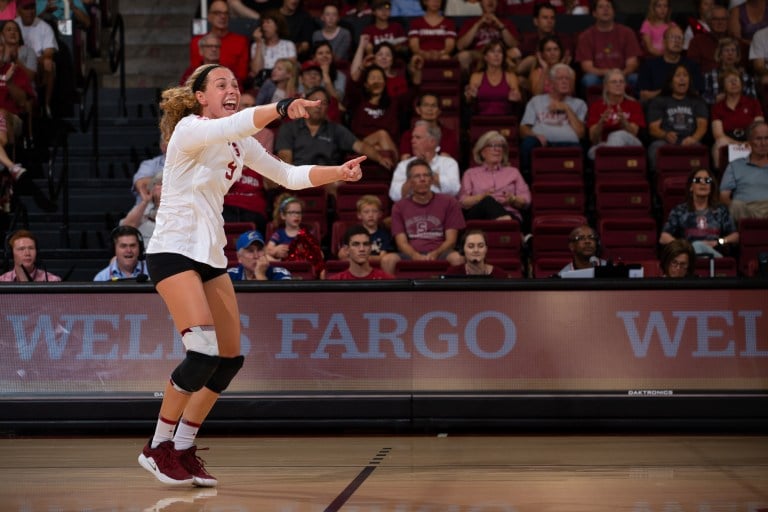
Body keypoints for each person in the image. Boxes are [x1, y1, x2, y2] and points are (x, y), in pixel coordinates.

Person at [137, 63, 365, 487]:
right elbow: (246, 119)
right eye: (221, 84)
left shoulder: (239, 142)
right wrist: (281, 107)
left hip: (209, 255)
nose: (231, 89)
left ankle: (184, 447)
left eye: (236, 85)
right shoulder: (190, 128)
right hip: (173, 250)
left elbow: (289, 176)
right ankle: (158, 445)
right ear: (201, 96)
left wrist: (339, 173)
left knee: (228, 360)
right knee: (202, 352)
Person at [275, 86, 393, 195]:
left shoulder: (336, 129)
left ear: (328, 108)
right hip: (300, 176)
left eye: (324, 103)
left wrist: (379, 157)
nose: (318, 106)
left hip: (328, 177)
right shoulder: (289, 128)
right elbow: (285, 159)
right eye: (314, 101)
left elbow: (360, 146)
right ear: (305, 103)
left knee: (340, 184)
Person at [390, 158, 465, 266]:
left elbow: (451, 240)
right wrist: (415, 255)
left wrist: (435, 253)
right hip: (410, 253)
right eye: (417, 176)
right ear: (409, 181)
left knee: (457, 258)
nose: (422, 179)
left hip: (441, 252)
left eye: (426, 175)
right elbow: (401, 243)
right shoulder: (399, 207)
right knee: (388, 260)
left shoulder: (449, 202)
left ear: (432, 179)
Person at [518, 63, 587, 176]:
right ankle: (527, 178)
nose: (565, 81)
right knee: (527, 144)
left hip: (568, 144)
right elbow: (522, 129)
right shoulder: (536, 101)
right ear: (550, 82)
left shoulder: (579, 104)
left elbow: (580, 134)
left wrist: (567, 108)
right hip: (541, 142)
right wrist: (535, 136)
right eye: (560, 78)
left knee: (580, 149)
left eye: (567, 78)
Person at [660, 168, 739, 258]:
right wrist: (684, 247)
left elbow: (735, 236)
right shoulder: (680, 210)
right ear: (691, 187)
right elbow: (663, 237)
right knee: (696, 247)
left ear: (711, 187)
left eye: (707, 180)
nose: (703, 183)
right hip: (688, 256)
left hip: (714, 255)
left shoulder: (720, 210)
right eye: (697, 180)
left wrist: (718, 242)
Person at [646, 64, 709, 171]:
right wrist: (665, 135)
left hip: (690, 140)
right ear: (670, 82)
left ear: (689, 81)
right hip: (666, 141)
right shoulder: (659, 101)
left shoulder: (698, 101)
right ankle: (657, 182)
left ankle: (702, 181)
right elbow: (653, 129)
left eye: (685, 75)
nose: (682, 78)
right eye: (678, 75)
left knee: (700, 149)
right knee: (655, 147)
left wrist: (693, 139)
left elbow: (702, 126)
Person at [459, 130, 530, 222]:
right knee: (488, 201)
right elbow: (463, 202)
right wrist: (481, 197)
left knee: (508, 215)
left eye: (500, 146)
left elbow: (526, 201)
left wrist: (513, 199)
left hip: (508, 212)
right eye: (492, 145)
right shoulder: (470, 173)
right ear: (482, 152)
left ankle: (505, 222)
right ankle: (510, 227)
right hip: (480, 216)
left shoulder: (513, 172)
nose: (497, 149)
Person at [574, 0, 642, 93]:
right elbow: (587, 67)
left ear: (614, 12)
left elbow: (632, 63)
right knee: (589, 80)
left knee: (636, 78)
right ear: (594, 13)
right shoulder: (585, 36)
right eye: (601, 7)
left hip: (623, 75)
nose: (605, 9)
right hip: (599, 77)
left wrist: (620, 74)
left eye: (608, 6)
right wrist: (609, 74)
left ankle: (633, 106)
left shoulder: (627, 33)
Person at [389, 120, 461, 202]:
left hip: (439, 209)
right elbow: (394, 195)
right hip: (412, 210)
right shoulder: (404, 165)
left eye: (418, 137)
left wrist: (427, 169)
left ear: (432, 142)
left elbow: (454, 190)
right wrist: (413, 175)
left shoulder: (448, 163)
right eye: (412, 137)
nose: (412, 141)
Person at [710, 68, 764, 169]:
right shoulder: (717, 107)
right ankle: (720, 179)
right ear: (724, 86)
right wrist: (739, 145)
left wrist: (749, 142)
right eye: (729, 80)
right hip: (729, 140)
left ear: (742, 84)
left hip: (750, 139)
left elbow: (760, 128)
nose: (733, 82)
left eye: (736, 80)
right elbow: (718, 135)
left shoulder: (753, 103)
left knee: (762, 140)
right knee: (718, 144)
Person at [586, 68, 645, 160]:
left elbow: (634, 133)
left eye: (621, 82)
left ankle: (610, 162)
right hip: (603, 144)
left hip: (630, 144)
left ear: (625, 85)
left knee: (618, 135)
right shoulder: (596, 106)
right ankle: (612, 161)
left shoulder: (634, 105)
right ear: (606, 86)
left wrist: (624, 122)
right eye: (614, 82)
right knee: (593, 151)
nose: (618, 84)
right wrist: (601, 123)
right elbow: (593, 139)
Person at [346, 64, 400, 160]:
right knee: (381, 134)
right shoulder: (358, 102)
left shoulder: (393, 104)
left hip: (387, 145)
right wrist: (362, 68)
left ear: (384, 83)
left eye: (379, 78)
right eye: (373, 78)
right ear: (366, 84)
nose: (376, 81)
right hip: (362, 146)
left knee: (382, 137)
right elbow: (351, 87)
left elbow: (412, 93)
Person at [0, 32, 35, 179]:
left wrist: (9, 83)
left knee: (1, 112)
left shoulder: (14, 70)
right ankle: (11, 167)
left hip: (12, 118)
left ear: (3, 48)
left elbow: (23, 102)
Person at [189, 1, 249, 86]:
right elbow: (195, 71)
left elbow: (242, 75)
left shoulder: (241, 41)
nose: (223, 16)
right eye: (217, 13)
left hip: (232, 86)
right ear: (209, 16)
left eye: (226, 13)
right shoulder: (197, 41)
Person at [637, 25, 704, 103]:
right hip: (658, 108)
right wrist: (668, 90)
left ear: (683, 44)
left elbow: (697, 93)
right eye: (673, 37)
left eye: (680, 38)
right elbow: (643, 96)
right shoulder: (649, 65)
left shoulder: (692, 65)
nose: (677, 41)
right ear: (664, 42)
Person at [336, 194, 399, 274]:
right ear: (359, 215)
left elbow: (383, 257)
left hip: (378, 267)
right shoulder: (352, 233)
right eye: (366, 212)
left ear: (380, 214)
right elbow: (343, 254)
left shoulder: (385, 234)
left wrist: (361, 257)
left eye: (374, 211)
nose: (370, 215)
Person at [720, 120, 768, 220]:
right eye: (758, 139)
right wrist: (733, 207)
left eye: (767, 138)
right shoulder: (735, 165)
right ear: (749, 141)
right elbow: (723, 196)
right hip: (745, 210)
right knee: (737, 205)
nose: (763, 143)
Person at [15, 0, 56, 117]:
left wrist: (33, 61)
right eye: (26, 8)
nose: (30, 11)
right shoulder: (13, 25)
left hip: (38, 63)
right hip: (17, 62)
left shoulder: (44, 27)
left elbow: (49, 52)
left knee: (49, 64)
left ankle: (46, 105)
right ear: (19, 11)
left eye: (32, 8)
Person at [454, 0, 519, 74]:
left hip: (499, 54)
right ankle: (469, 83)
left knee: (515, 52)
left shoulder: (506, 22)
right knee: (463, 56)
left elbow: (514, 44)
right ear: (481, 2)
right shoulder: (470, 22)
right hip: (478, 54)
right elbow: (460, 46)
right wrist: (478, 24)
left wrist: (500, 25)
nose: (490, 1)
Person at [517, 2, 576, 81]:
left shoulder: (564, 39)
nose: (549, 21)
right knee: (520, 79)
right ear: (536, 21)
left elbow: (565, 62)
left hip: (559, 78)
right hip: (535, 80)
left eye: (552, 18)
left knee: (532, 60)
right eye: (545, 17)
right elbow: (512, 53)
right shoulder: (531, 40)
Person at [463, 40, 522, 116]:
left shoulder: (511, 76)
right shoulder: (476, 76)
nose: (496, 55)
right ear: (486, 57)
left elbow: (517, 101)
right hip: (481, 122)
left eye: (500, 52)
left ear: (503, 57)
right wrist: (470, 97)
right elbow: (469, 102)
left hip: (505, 122)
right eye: (492, 51)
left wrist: (517, 99)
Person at [399, 92, 459, 161]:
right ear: (418, 110)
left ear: (439, 111)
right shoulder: (408, 135)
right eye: (425, 105)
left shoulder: (449, 134)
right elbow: (405, 160)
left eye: (433, 106)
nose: (429, 109)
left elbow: (445, 161)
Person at [248, 9, 296, 88]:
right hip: (261, 86)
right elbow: (256, 71)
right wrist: (259, 43)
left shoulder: (288, 45)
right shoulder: (255, 45)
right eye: (263, 23)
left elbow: (290, 70)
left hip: (283, 86)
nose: (264, 25)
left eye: (268, 22)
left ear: (277, 25)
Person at [328, 224, 395, 280]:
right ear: (347, 250)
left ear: (370, 248)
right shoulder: (335, 281)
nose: (362, 249)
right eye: (356, 244)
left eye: (365, 244)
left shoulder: (386, 279)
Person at [702, 37, 756, 105]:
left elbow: (753, 99)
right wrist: (715, 99)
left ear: (737, 55)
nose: (730, 53)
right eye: (726, 50)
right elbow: (703, 98)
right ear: (720, 55)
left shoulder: (746, 76)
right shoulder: (710, 75)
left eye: (733, 50)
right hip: (717, 110)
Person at [227, 229, 292, 281]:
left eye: (260, 250)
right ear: (239, 257)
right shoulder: (229, 276)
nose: (256, 256)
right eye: (250, 251)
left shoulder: (281, 274)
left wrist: (260, 275)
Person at [407, 0, 457, 64]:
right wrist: (423, 53)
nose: (435, 2)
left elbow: (450, 45)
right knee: (416, 58)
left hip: (442, 54)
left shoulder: (448, 23)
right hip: (421, 54)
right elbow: (414, 45)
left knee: (445, 58)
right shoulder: (416, 23)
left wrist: (440, 53)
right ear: (425, 2)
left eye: (438, 0)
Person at [444, 228, 508, 277]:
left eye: (480, 246)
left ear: (486, 249)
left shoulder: (500, 275)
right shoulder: (452, 274)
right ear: (463, 249)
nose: (476, 250)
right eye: (471, 246)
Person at [120, 171, 161, 244]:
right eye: (160, 184)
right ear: (152, 188)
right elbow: (125, 230)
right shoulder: (144, 207)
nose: (163, 188)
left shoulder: (181, 209)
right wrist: (145, 202)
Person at [687, 5, 730, 73]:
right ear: (709, 22)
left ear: (728, 22)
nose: (720, 22)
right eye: (715, 19)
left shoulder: (735, 41)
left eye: (723, 19)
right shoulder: (697, 41)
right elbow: (692, 70)